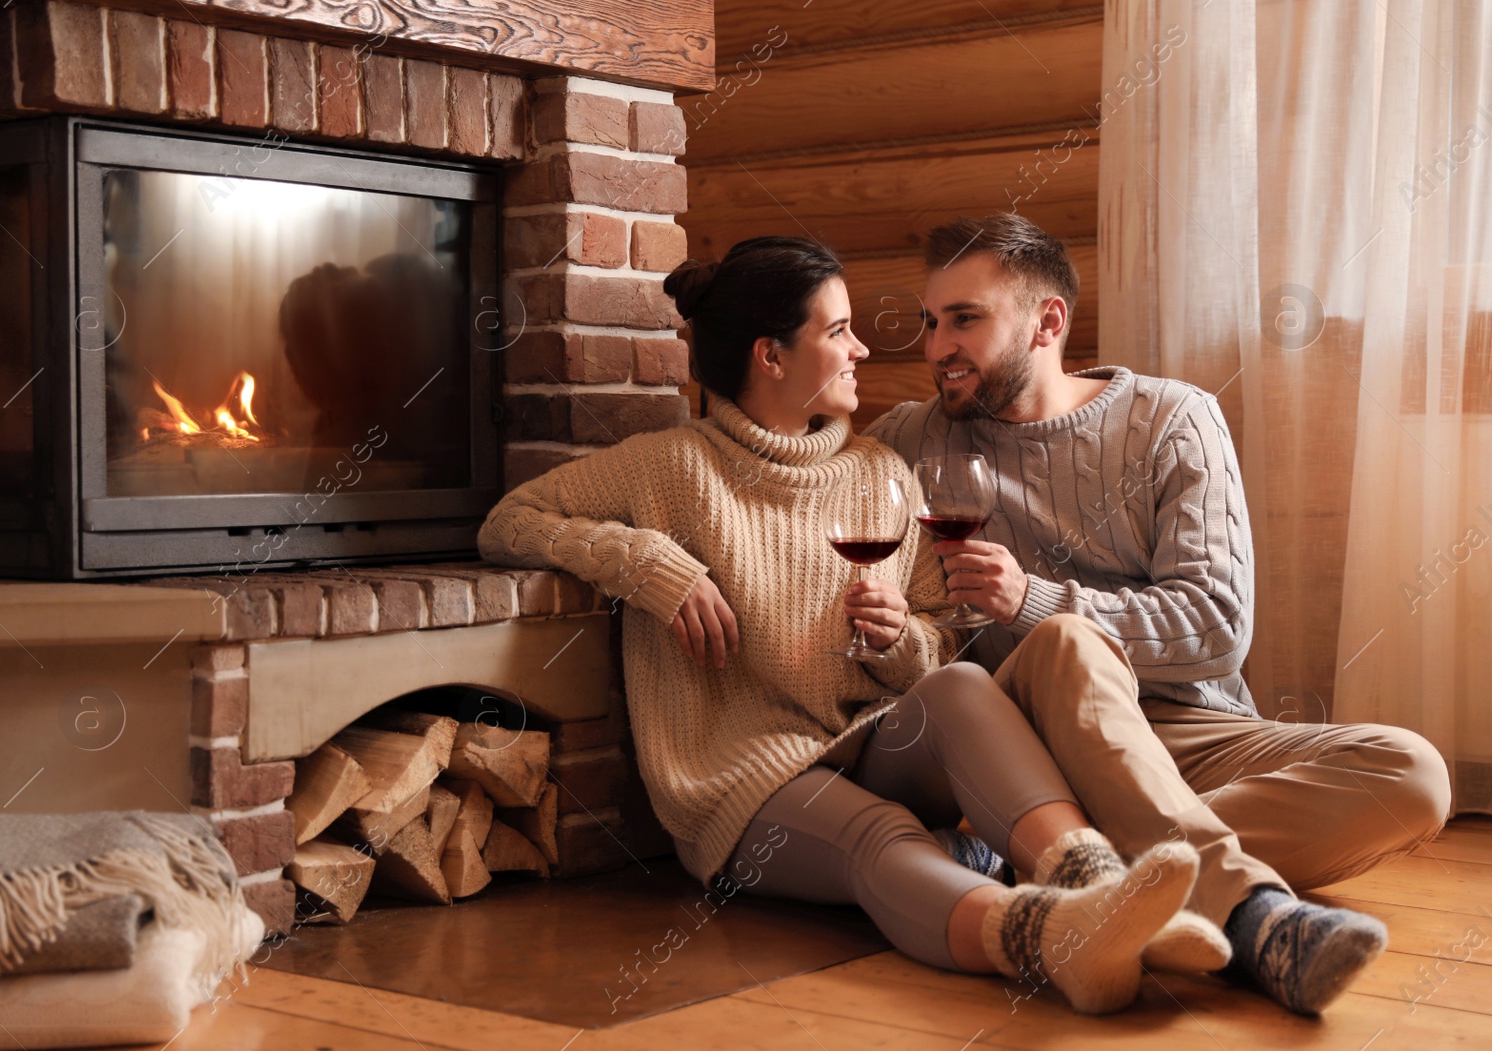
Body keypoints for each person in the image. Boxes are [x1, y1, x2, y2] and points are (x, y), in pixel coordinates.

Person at [479, 236, 1217, 1015]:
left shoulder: (880, 472)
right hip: (740, 777)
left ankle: (1097, 889)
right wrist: (648, 563)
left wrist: (902, 638)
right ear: (771, 355)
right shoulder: (670, 467)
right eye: (838, 332)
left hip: (864, 740)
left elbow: (937, 643)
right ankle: (1051, 940)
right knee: (878, 831)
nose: (863, 346)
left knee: (964, 685)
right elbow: (510, 519)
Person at [865, 212, 1454, 1015]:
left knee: (1413, 776)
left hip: (1183, 727)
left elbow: (1215, 623)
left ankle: (1073, 871)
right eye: (932, 322)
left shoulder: (1172, 419)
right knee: (1068, 641)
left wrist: (1028, 598)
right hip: (1027, 742)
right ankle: (1254, 916)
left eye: (965, 319)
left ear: (1048, 321)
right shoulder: (908, 437)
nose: (936, 347)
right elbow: (796, 504)